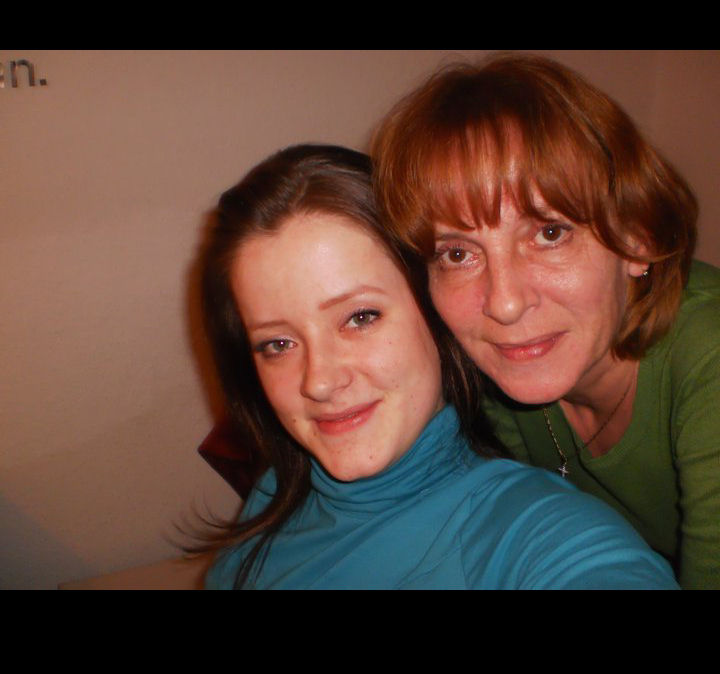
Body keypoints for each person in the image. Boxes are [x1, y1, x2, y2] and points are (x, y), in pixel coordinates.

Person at [199, 143, 677, 589]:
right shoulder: (278, 489)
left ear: (436, 312)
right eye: (278, 343)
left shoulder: (542, 538)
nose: (319, 381)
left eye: (360, 318)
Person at [371, 52, 720, 589]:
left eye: (550, 233)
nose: (505, 304)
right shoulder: (499, 377)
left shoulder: (709, 360)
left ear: (638, 237)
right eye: (458, 254)